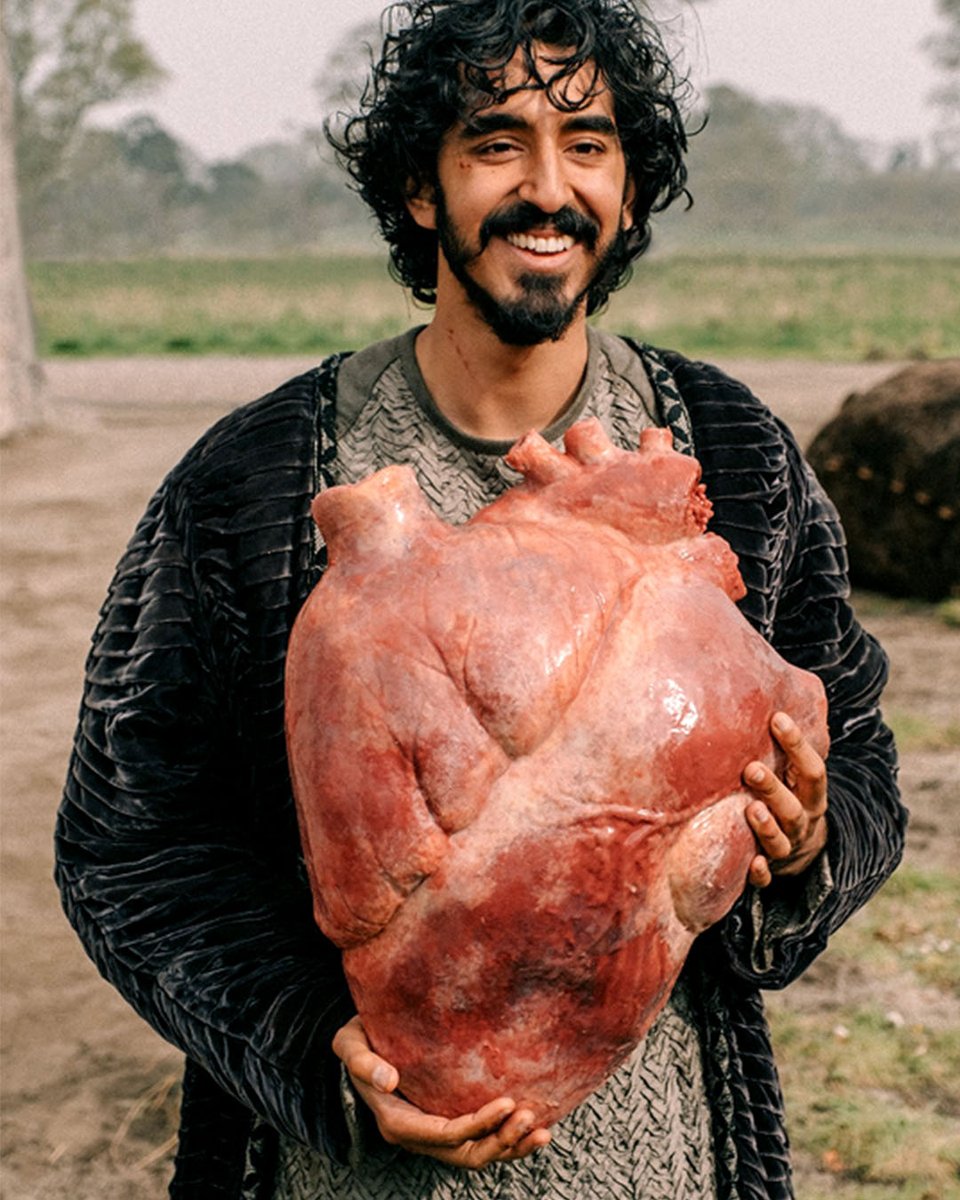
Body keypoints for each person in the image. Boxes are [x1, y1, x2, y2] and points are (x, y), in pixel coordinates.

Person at [55, 0, 906, 1197]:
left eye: (590, 145)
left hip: (664, 1166)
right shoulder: (258, 482)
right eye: (498, 142)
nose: (549, 189)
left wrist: (811, 841)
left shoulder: (730, 455)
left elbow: (859, 744)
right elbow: (127, 845)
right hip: (342, 1174)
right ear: (421, 186)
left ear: (629, 183)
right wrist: (315, 1054)